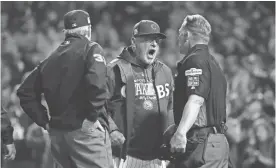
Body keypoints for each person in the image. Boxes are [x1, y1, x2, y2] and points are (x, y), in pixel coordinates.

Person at [17, 10, 118, 168]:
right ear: (88, 30)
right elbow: (97, 86)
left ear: (66, 32)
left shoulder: (51, 58)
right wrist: (91, 118)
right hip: (83, 131)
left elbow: (24, 92)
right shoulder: (91, 48)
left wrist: (45, 122)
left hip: (58, 134)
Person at [106, 20, 174, 168]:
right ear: (133, 42)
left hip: (157, 157)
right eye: (148, 40)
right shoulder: (114, 70)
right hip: (124, 156)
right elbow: (98, 106)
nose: (154, 44)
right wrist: (112, 129)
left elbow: (170, 109)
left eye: (156, 40)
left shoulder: (165, 72)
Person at [170, 14, 230, 168]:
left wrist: (181, 132)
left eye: (179, 35)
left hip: (201, 143)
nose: (178, 40)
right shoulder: (214, 63)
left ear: (186, 35)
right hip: (217, 141)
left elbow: (196, 100)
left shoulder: (195, 60)